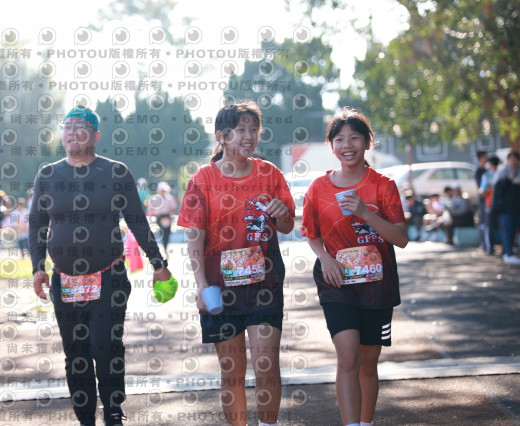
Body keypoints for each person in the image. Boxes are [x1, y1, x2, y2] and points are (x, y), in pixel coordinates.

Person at [29, 105, 172, 426]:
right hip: (64, 280)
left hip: (108, 276)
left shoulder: (115, 172)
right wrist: (38, 267)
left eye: (80, 127)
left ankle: (113, 411)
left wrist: (158, 263)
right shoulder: (48, 175)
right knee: (75, 353)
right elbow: (37, 223)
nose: (72, 133)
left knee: (104, 346)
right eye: (67, 127)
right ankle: (85, 419)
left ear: (95, 136)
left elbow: (137, 220)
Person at [178, 100, 295, 426]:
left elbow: (287, 226)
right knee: (232, 372)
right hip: (220, 289)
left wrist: (282, 214)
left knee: (266, 365)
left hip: (264, 285)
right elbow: (194, 236)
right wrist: (201, 285)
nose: (249, 136)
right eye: (241, 129)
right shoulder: (203, 179)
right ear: (221, 135)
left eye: (254, 129)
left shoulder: (270, 174)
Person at [301, 108, 408, 426]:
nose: (347, 145)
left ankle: (365, 422)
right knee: (348, 357)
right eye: (339, 139)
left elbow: (401, 238)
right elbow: (310, 233)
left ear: (367, 142)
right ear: (331, 145)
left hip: (377, 286)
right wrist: (324, 258)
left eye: (355, 138)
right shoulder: (318, 188)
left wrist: (365, 212)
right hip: (337, 283)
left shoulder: (384, 186)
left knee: (367, 363)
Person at [492, 151, 520, 264]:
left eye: (515, 158)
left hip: (517, 207)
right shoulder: (502, 173)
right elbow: (497, 188)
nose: (513, 161)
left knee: (514, 230)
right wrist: (508, 180)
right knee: (507, 230)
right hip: (505, 208)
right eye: (511, 158)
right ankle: (508, 253)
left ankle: (511, 249)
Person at [146, 181, 178, 256]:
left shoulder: (170, 198)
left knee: (167, 233)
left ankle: (165, 246)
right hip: (159, 217)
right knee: (162, 232)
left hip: (167, 217)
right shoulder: (155, 198)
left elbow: (174, 208)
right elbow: (150, 209)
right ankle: (164, 247)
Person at [479, 156, 501, 254]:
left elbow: (482, 191)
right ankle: (505, 249)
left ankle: (490, 248)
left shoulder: (486, 176)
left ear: (490, 164)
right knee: (502, 227)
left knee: (489, 227)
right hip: (501, 205)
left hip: (489, 204)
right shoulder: (501, 174)